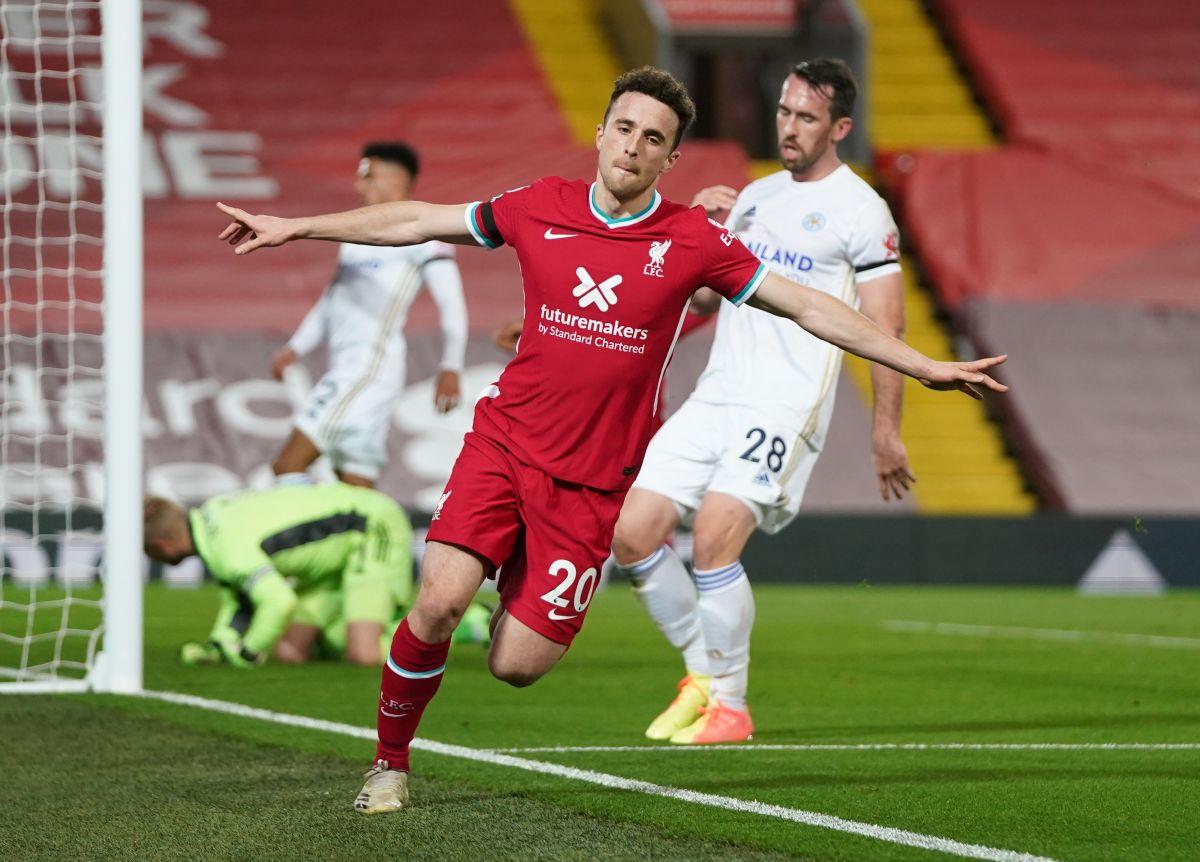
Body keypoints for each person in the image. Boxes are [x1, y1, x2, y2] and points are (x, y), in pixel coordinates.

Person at [215, 65, 1007, 815]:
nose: (632, 146)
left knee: (516, 667)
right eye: (623, 128)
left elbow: (808, 306)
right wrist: (298, 226)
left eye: (652, 138)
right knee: (438, 602)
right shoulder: (537, 204)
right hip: (505, 444)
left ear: (668, 157)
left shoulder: (694, 242)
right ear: (599, 133)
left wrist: (921, 365)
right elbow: (417, 220)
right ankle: (389, 763)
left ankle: (522, 579)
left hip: (592, 484)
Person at [610, 59, 914, 746]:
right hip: (718, 394)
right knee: (631, 530)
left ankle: (733, 707)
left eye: (806, 117)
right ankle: (702, 677)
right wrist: (701, 227)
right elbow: (708, 298)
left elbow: (886, 328)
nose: (788, 127)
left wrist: (885, 430)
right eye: (782, 111)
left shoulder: (863, 213)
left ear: (839, 127)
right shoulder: (751, 197)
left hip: (783, 404)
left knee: (715, 537)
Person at [270, 142, 468, 489]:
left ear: (396, 182)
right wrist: (296, 346)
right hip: (350, 366)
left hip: (367, 368)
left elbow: (451, 304)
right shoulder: (355, 235)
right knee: (354, 483)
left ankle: (303, 542)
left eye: (368, 177)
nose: (358, 186)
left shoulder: (424, 234)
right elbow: (333, 299)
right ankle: (374, 542)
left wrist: (450, 366)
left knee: (287, 466)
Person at [142, 484, 489, 668]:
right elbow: (241, 598)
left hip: (371, 527)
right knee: (292, 651)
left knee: (364, 654)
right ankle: (354, 627)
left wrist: (248, 653)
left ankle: (468, 623)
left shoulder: (226, 549)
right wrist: (221, 645)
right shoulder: (210, 519)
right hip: (332, 559)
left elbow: (278, 601)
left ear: (162, 545)